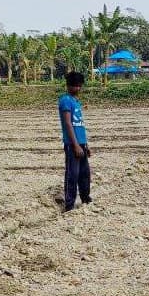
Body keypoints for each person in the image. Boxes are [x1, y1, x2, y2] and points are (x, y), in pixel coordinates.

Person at [60, 71, 91, 212]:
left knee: (84, 174)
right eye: (75, 85)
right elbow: (68, 123)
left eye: (79, 86)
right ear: (68, 86)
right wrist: (76, 145)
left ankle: (86, 199)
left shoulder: (76, 102)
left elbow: (80, 125)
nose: (78, 88)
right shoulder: (65, 100)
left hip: (81, 143)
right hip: (72, 145)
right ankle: (69, 204)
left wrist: (85, 145)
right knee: (72, 174)